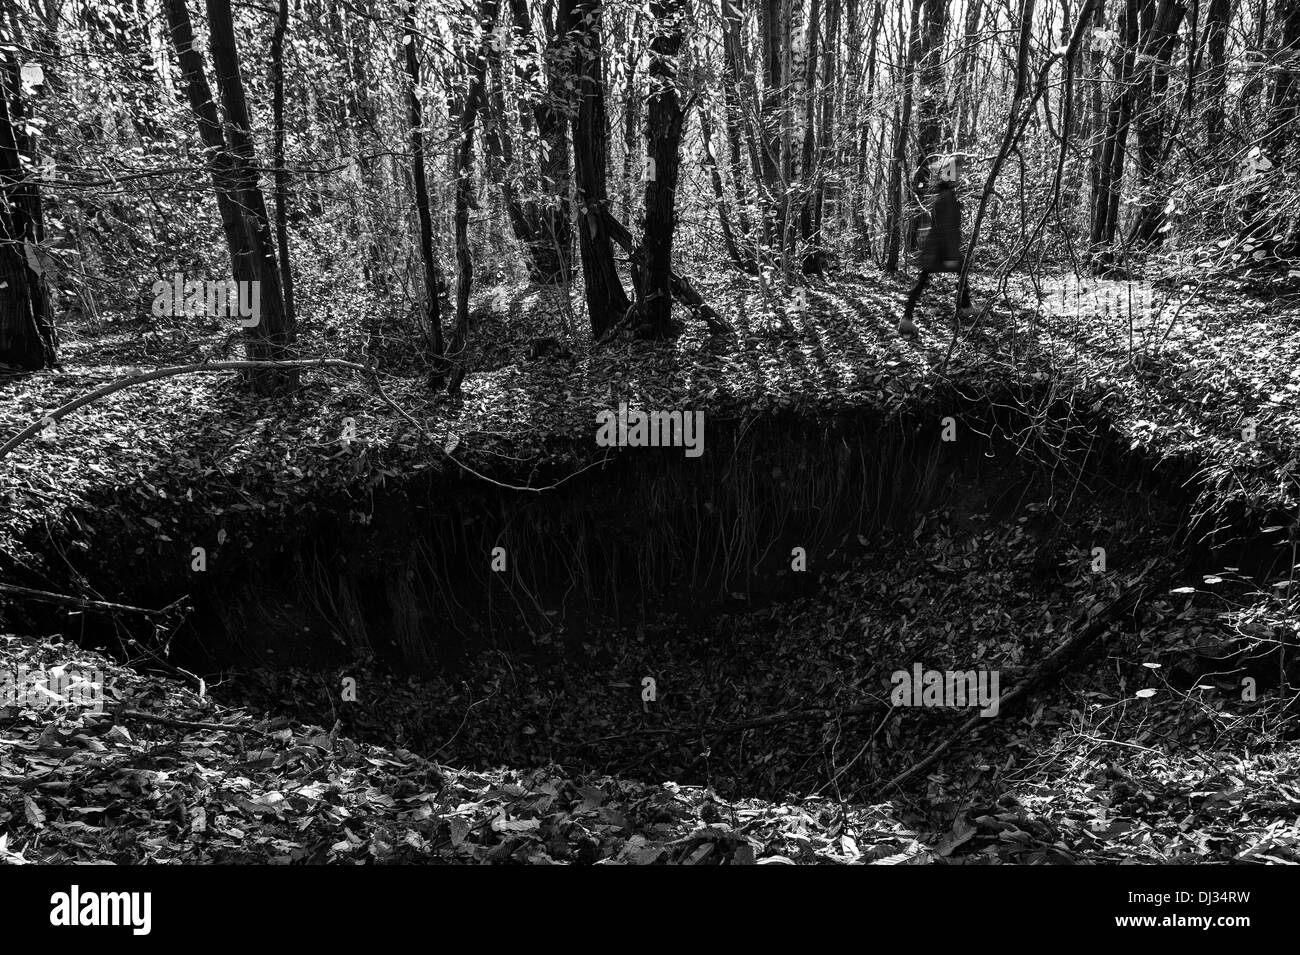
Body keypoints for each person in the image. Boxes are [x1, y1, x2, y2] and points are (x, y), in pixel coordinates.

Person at [900, 166, 975, 335]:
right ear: (950, 178)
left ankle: (907, 318)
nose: (958, 178)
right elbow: (947, 229)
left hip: (935, 250)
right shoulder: (947, 198)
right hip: (940, 251)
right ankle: (964, 307)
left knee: (924, 281)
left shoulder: (941, 196)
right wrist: (950, 254)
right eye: (955, 175)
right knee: (957, 271)